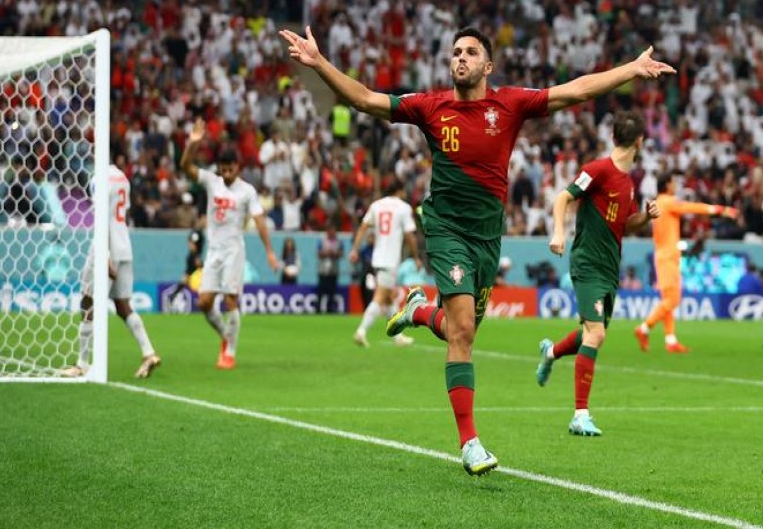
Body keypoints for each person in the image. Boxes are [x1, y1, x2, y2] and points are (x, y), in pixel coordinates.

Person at [279, 25, 673, 475]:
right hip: (445, 229)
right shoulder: (430, 107)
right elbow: (366, 99)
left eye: (470, 52)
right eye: (455, 52)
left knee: (455, 330)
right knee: (463, 331)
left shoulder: (509, 104)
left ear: (488, 66)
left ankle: (418, 310)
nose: (460, 58)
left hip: (488, 237)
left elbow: (576, 90)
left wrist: (631, 69)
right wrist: (320, 63)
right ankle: (469, 443)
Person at [535, 112, 661, 437]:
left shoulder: (628, 183)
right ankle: (580, 414)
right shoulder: (598, 170)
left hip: (609, 267)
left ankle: (550, 353)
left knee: (590, 333)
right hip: (587, 263)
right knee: (597, 335)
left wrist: (645, 217)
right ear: (639, 142)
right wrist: (558, 233)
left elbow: (626, 223)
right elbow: (563, 197)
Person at [180, 119, 279, 370]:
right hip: (213, 251)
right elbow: (186, 167)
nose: (225, 173)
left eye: (229, 169)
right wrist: (192, 144)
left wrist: (269, 252)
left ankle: (230, 353)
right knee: (203, 303)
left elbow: (259, 221)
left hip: (234, 251)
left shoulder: (247, 191)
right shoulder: (212, 182)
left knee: (230, 301)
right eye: (222, 169)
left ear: (238, 167)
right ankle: (226, 336)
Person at [64, 162, 161, 379]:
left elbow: (101, 219)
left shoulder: (98, 178)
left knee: (88, 301)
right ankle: (149, 353)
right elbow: (121, 216)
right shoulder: (122, 178)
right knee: (122, 305)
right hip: (124, 244)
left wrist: (105, 254)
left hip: (104, 246)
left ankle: (82, 364)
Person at [634, 173, 739, 353]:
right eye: (673, 182)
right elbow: (692, 208)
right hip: (668, 256)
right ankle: (644, 328)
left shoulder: (658, 203)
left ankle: (670, 339)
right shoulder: (667, 202)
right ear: (667, 185)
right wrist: (720, 210)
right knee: (673, 299)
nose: (675, 185)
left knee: (667, 299)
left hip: (663, 255)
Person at [349, 180, 421, 348]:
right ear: (400, 191)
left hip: (377, 258)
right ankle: (361, 331)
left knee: (389, 299)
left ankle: (398, 336)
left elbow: (363, 227)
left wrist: (354, 249)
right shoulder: (403, 208)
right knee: (380, 298)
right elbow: (410, 235)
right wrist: (416, 256)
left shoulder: (376, 205)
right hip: (390, 259)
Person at [167, 229, 204, 304]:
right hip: (194, 277)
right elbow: (187, 274)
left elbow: (197, 269)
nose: (189, 245)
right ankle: (174, 295)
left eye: (191, 243)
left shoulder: (195, 257)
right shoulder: (191, 256)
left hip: (199, 279)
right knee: (186, 280)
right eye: (190, 242)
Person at [317, 223, 343, 313]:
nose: (332, 233)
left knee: (332, 291)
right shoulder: (322, 240)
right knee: (321, 290)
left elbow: (341, 253)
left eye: (334, 231)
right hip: (323, 269)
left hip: (333, 270)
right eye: (330, 231)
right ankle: (318, 309)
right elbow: (319, 253)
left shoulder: (339, 241)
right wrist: (326, 253)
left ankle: (329, 309)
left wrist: (334, 254)